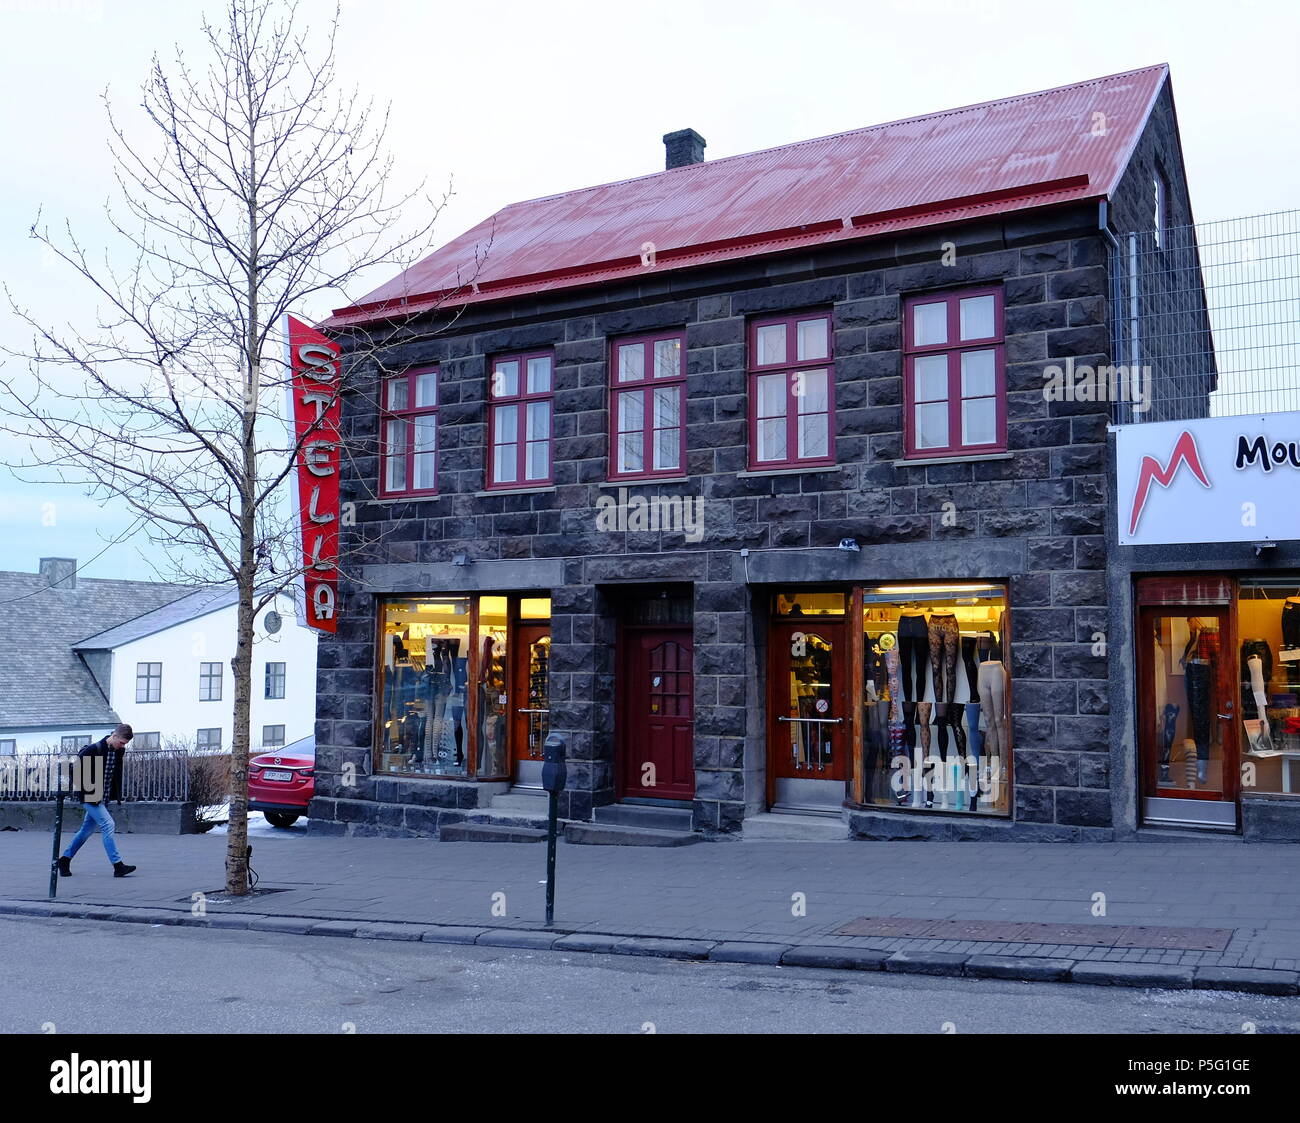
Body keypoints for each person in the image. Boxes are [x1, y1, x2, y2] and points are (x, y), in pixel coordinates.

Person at [56, 723, 137, 878]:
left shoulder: (119, 751)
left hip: (103, 796)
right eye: (121, 742)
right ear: (114, 736)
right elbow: (74, 771)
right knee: (108, 824)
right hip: (89, 796)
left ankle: (64, 860)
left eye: (124, 744)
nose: (122, 746)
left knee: (86, 830)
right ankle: (118, 865)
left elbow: (113, 774)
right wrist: (87, 791)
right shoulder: (93, 750)